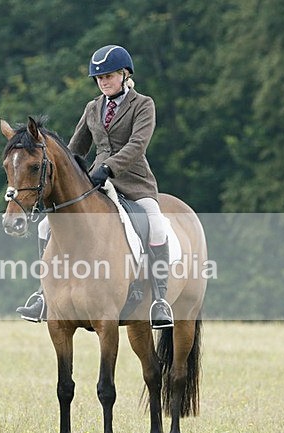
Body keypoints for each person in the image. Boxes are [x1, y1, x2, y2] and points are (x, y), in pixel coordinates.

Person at [17, 44, 173, 328]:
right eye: (100, 78)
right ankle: (44, 294)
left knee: (157, 224)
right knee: (43, 226)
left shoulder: (143, 105)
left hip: (134, 182)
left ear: (125, 75)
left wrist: (109, 168)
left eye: (109, 76)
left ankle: (159, 300)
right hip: (95, 183)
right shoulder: (93, 108)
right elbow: (75, 147)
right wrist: (67, 173)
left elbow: (138, 145)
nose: (104, 82)